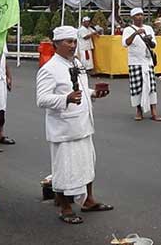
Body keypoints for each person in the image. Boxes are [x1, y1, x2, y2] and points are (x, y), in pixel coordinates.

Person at [36, 26, 112, 224]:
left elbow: (81, 89)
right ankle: (64, 207)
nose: (72, 45)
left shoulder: (76, 63)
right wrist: (65, 99)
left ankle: (88, 200)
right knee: (64, 168)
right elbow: (42, 99)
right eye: (68, 42)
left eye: (74, 41)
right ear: (56, 45)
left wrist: (94, 93)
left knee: (87, 163)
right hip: (63, 128)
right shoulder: (49, 69)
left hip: (83, 123)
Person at [122, 8, 160, 121]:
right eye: (137, 15)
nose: (140, 17)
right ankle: (139, 111)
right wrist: (135, 33)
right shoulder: (128, 30)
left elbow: (154, 45)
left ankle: (154, 111)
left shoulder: (148, 28)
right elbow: (125, 44)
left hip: (147, 62)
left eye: (141, 15)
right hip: (135, 63)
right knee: (136, 87)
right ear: (132, 17)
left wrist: (148, 40)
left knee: (151, 87)